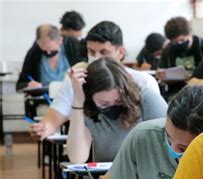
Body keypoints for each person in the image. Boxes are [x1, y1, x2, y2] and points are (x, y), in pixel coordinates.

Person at [29, 21, 166, 141]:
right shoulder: (77, 78)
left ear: (120, 52)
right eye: (91, 52)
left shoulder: (143, 82)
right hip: (92, 153)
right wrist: (44, 127)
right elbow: (56, 114)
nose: (96, 57)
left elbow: (159, 129)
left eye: (104, 52)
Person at [66, 57, 165, 163]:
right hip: (108, 177)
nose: (112, 106)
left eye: (118, 101)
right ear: (90, 96)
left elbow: (170, 142)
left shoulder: (146, 98)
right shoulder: (88, 108)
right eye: (104, 103)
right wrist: (77, 102)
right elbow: (77, 158)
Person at [16, 24, 85, 91]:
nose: (48, 53)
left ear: (60, 40)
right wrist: (28, 85)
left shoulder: (73, 46)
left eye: (51, 50)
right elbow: (20, 84)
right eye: (44, 50)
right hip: (44, 99)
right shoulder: (34, 52)